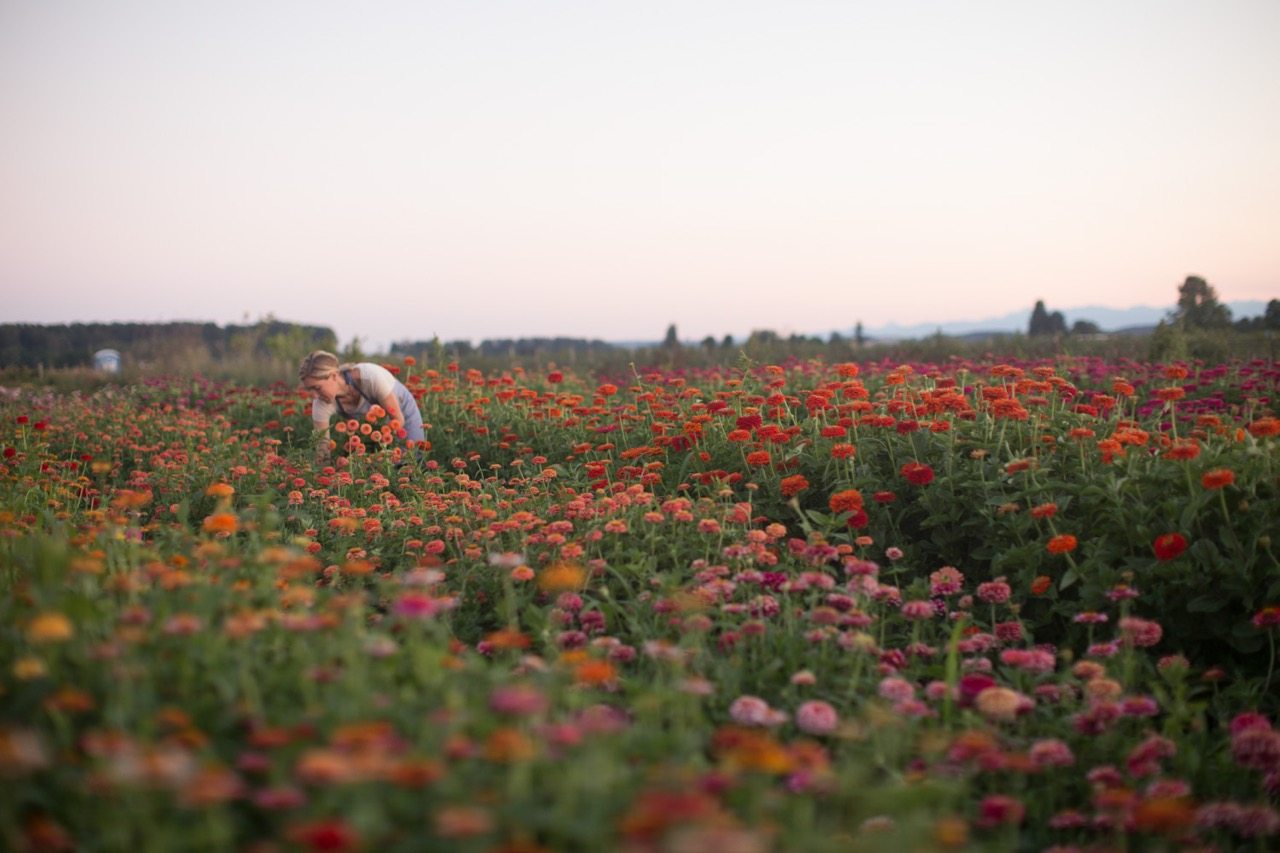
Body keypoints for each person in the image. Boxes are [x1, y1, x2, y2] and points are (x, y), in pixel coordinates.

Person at [298, 350, 424, 465]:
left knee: (412, 459)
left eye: (317, 388)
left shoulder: (369, 377)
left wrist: (379, 454)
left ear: (334, 376)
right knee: (369, 469)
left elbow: (398, 420)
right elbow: (323, 450)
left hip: (401, 413)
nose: (314, 396)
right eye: (310, 389)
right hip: (372, 429)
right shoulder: (320, 404)